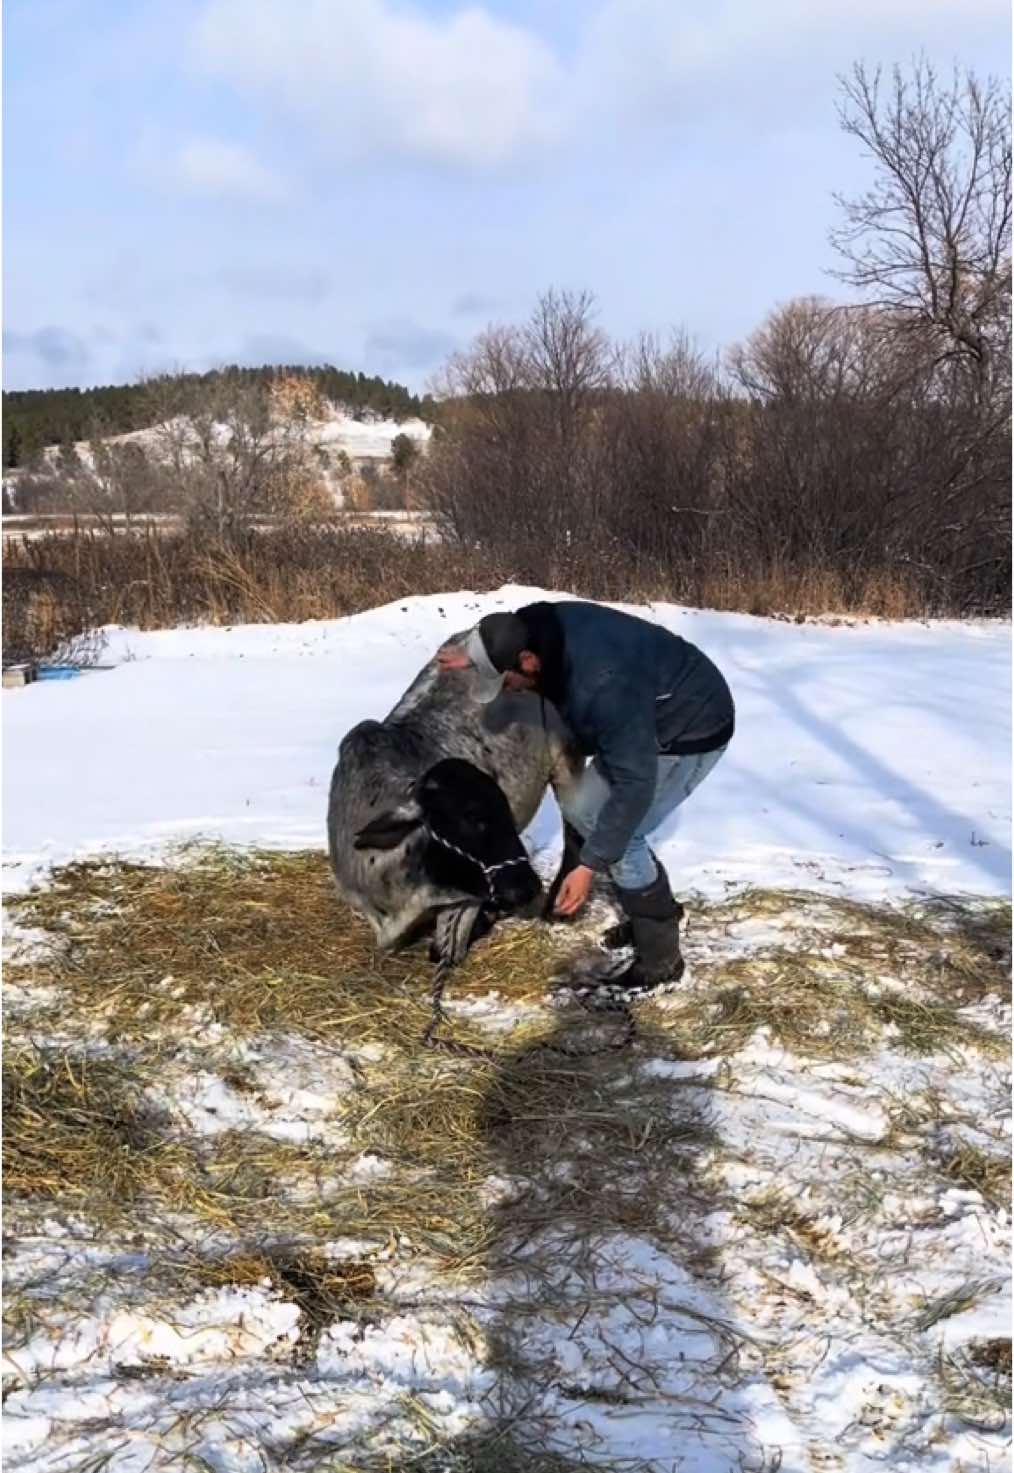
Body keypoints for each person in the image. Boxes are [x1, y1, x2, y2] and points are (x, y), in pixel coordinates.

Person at [437, 600, 734, 995]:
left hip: (690, 725)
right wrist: (474, 654)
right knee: (581, 804)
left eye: (507, 681)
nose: (508, 691)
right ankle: (656, 911)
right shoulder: (536, 625)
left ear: (528, 663)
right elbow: (501, 630)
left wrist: (589, 865)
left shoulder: (601, 687)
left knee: (621, 840)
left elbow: (635, 786)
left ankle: (661, 960)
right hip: (647, 706)